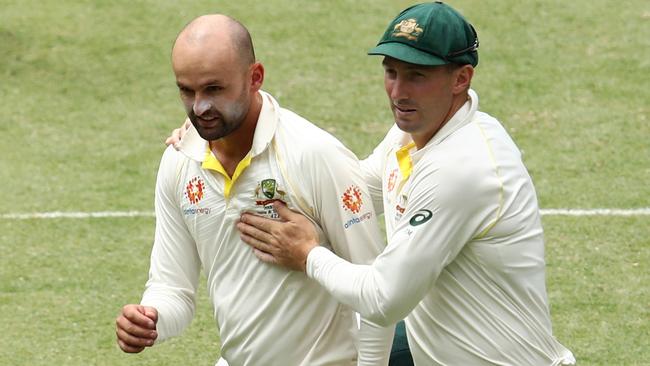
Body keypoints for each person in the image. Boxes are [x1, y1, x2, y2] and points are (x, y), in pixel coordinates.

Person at [236, 2, 576, 365]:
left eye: (416, 75)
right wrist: (228, 135)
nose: (398, 91)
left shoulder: (461, 169)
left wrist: (308, 254)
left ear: (461, 79)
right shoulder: (415, 132)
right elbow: (352, 191)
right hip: (430, 345)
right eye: (391, 72)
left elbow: (384, 299)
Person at [115, 14, 395, 365]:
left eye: (213, 89)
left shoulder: (314, 156)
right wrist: (150, 317)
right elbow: (173, 289)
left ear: (255, 78)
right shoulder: (180, 162)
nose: (199, 107)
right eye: (187, 90)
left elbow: (376, 290)